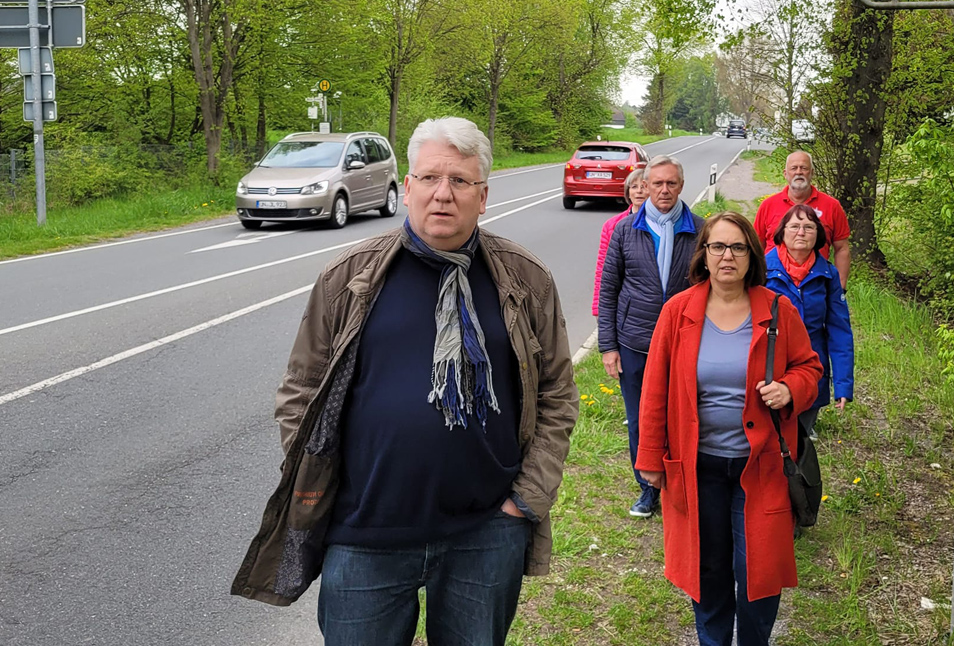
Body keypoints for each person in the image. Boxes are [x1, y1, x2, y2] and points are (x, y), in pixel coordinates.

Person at [231, 117, 580, 646]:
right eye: (430, 178)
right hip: (363, 531)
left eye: (460, 181)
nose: (444, 194)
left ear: (483, 197)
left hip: (486, 531)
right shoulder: (349, 278)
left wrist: (525, 502)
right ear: (408, 187)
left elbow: (557, 394)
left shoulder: (525, 280)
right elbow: (300, 391)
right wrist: (325, 481)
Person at [636, 211, 823, 646]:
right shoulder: (677, 312)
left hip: (760, 467)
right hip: (696, 467)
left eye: (738, 247)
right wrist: (650, 458)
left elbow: (810, 368)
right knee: (708, 570)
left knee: (759, 573)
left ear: (751, 256)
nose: (727, 256)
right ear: (703, 255)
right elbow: (654, 390)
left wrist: (790, 389)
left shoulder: (778, 309)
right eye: (717, 246)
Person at [598, 154, 703, 518]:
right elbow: (608, 288)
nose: (663, 190)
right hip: (634, 343)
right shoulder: (626, 230)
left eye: (670, 183)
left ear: (681, 186)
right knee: (641, 420)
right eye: (656, 183)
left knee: (683, 416)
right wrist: (608, 346)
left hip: (684, 343)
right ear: (647, 185)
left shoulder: (700, 230)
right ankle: (647, 489)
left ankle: (680, 484)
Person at [765, 204, 855, 438]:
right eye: (794, 226)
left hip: (811, 363)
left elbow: (840, 330)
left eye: (809, 227)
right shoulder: (762, 269)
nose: (801, 232)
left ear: (819, 235)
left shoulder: (828, 274)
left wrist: (844, 385)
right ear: (782, 232)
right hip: (768, 360)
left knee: (800, 440)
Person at [753, 150, 851, 288]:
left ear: (812, 173)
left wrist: (840, 286)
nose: (798, 172)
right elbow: (756, 247)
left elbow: (842, 249)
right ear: (785, 173)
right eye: (794, 168)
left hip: (817, 284)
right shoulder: (768, 205)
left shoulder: (832, 206)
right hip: (774, 283)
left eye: (804, 168)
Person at [592, 169, 650, 317]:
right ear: (628, 191)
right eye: (634, 187)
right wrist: (598, 307)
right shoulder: (612, 225)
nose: (639, 192)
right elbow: (602, 268)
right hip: (622, 301)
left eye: (644, 187)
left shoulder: (659, 224)